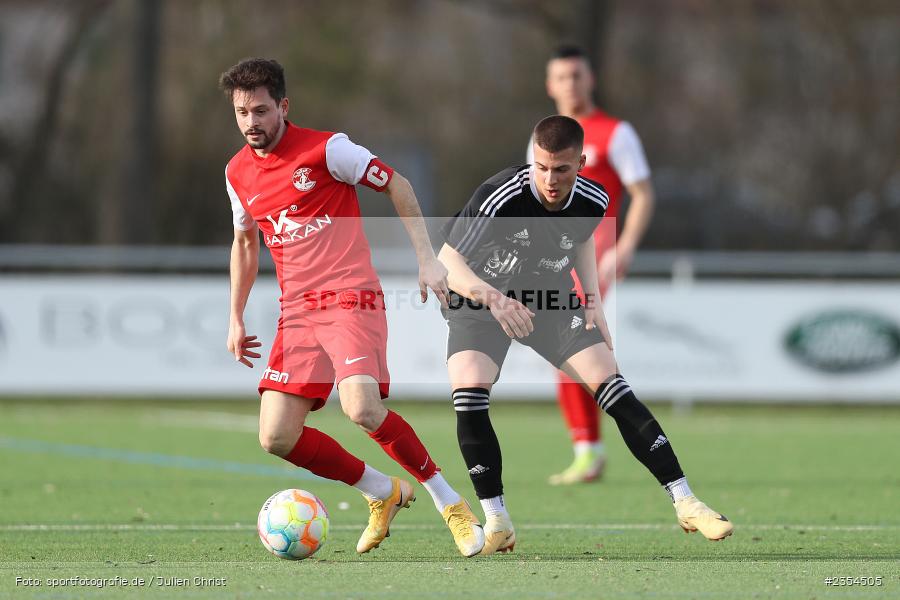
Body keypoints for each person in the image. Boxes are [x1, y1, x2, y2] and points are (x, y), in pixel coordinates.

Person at [220, 58, 484, 557]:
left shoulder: (328, 149)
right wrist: (235, 316)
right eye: (241, 112)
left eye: (260, 110)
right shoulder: (237, 172)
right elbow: (245, 243)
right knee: (276, 436)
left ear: (283, 106)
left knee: (360, 407)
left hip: (348, 296)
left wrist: (427, 262)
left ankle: (450, 503)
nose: (251, 122)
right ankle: (382, 492)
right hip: (296, 310)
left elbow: (398, 184)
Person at [439, 115, 733, 555]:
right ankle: (497, 519)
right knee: (469, 389)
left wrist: (592, 297)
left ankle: (686, 501)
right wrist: (496, 301)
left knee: (612, 385)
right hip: (481, 300)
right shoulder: (501, 196)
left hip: (549, 300)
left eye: (561, 169)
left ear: (581, 161)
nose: (550, 180)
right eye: (541, 168)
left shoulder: (594, 199)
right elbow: (448, 262)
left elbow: (578, 242)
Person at [527, 45, 657, 485]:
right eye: (561, 77)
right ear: (550, 85)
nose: (570, 84)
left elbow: (642, 193)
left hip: (592, 256)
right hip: (550, 257)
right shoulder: (542, 137)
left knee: (576, 345)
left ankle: (594, 448)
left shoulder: (615, 133)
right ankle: (590, 449)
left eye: (576, 76)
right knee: (566, 351)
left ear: (590, 79)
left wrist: (626, 245)